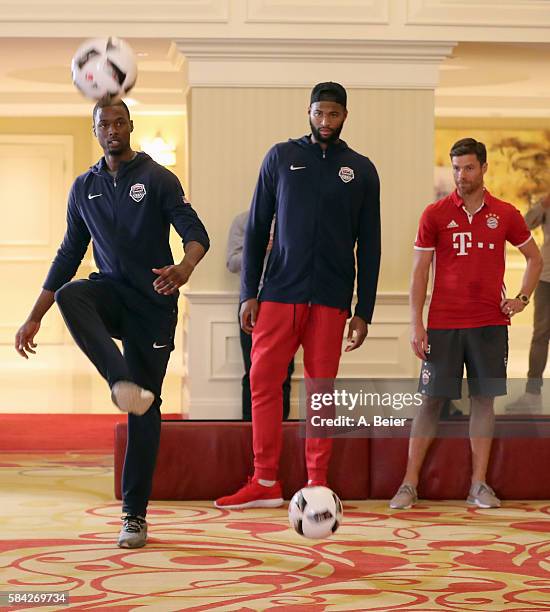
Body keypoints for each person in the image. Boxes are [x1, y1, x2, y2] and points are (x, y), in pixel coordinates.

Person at [14, 100, 209, 548]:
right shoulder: (84, 187)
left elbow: (197, 232)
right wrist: (34, 316)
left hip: (154, 304)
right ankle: (117, 379)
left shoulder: (158, 178)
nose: (113, 130)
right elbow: (68, 254)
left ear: (131, 127)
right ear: (95, 131)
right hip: (113, 294)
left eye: (120, 123)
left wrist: (185, 267)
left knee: (146, 406)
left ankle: (134, 516)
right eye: (105, 124)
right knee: (72, 292)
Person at [215, 82, 381, 509]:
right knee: (262, 381)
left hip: (331, 298)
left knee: (320, 390)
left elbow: (372, 242)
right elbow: (255, 229)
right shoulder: (281, 157)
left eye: (333, 114)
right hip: (279, 293)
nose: (325, 121)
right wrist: (247, 293)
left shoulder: (361, 170)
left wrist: (364, 310)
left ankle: (316, 483)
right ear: (308, 113)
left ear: (345, 116)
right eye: (319, 113)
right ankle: (266, 479)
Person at [390, 138, 542, 511]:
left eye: (469, 168)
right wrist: (416, 324)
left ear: (484, 168)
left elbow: (534, 259)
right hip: (442, 324)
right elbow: (419, 273)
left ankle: (478, 485)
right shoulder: (435, 214)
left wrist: (520, 300)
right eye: (456, 168)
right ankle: (409, 485)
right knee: (430, 402)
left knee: (483, 401)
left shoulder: (505, 213)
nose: (461, 175)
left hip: (490, 324)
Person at [226, 210, 294, 420]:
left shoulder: (294, 219)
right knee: (253, 370)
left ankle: (281, 430)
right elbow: (232, 262)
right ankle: (250, 429)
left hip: (287, 301)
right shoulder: (242, 221)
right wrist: (257, 247)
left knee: (284, 372)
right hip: (251, 302)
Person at [505, 194, 550, 413]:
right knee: (541, 334)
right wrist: (542, 205)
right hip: (546, 277)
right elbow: (523, 227)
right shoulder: (546, 202)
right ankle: (532, 393)